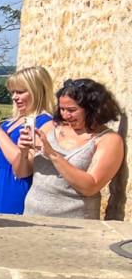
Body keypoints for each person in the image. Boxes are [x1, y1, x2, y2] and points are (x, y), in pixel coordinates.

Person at [16, 78, 125, 219]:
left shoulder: (108, 140)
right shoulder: (49, 128)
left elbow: (90, 187)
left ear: (93, 109)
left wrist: (53, 155)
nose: (65, 115)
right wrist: (23, 152)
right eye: (62, 109)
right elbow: (21, 173)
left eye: (72, 110)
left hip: (75, 225)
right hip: (33, 217)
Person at [0, 66, 55, 214]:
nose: (14, 97)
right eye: (12, 92)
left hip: (17, 185)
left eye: (20, 92)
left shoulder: (44, 123)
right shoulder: (10, 123)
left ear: (37, 91)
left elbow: (25, 165)